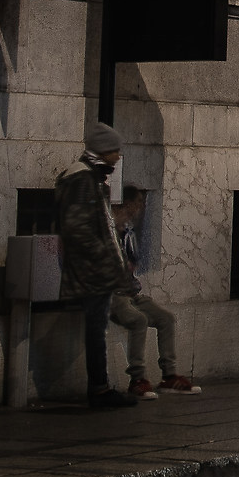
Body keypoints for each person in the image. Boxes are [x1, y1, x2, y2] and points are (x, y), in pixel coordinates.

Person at [55, 125, 137, 410]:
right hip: (91, 270)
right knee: (96, 328)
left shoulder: (91, 177)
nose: (118, 156)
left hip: (96, 268)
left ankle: (100, 387)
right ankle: (99, 390)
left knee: (98, 326)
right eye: (114, 150)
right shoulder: (81, 179)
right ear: (102, 150)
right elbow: (78, 229)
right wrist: (105, 257)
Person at [109, 187, 200, 398]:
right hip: (113, 293)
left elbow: (133, 263)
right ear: (128, 204)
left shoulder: (128, 231)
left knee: (166, 318)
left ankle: (169, 376)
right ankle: (137, 379)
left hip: (131, 291)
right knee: (138, 320)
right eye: (139, 202)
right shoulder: (110, 230)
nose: (141, 207)